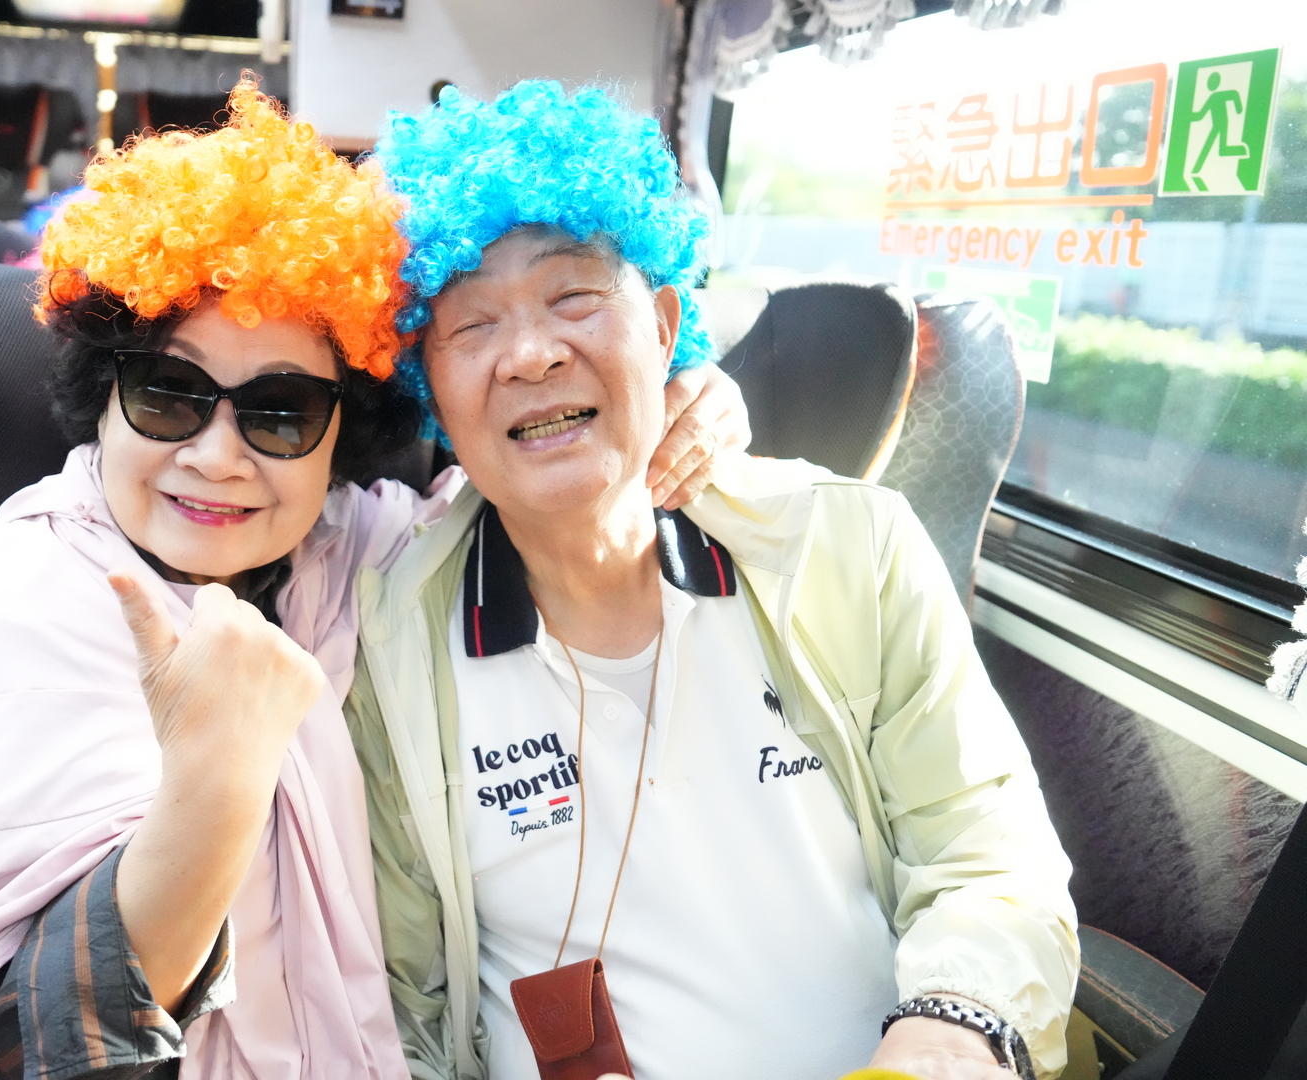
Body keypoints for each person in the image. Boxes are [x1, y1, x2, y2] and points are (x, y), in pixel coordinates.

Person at [0, 82, 749, 1080]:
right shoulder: (23, 599)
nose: (216, 457)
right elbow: (27, 1041)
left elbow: (529, 488)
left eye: (281, 412)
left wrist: (690, 397)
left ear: (343, 439)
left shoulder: (355, 552)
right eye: (168, 394)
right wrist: (215, 780)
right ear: (103, 395)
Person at [334, 82, 1080, 1080]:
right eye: (472, 326)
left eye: (573, 297)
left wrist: (950, 1032)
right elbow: (405, 1011)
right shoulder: (388, 643)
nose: (531, 354)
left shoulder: (848, 548)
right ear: (431, 388)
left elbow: (989, 858)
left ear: (663, 326)